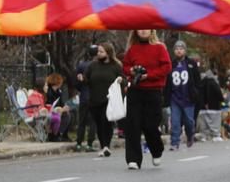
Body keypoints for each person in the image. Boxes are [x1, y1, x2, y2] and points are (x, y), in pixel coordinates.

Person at [121, 30, 171, 169]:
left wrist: (148, 75)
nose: (143, 31)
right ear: (136, 32)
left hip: (153, 91)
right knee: (133, 125)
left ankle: (156, 150)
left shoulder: (159, 48)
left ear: (151, 31)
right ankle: (133, 159)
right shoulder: (132, 49)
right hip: (135, 90)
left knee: (150, 125)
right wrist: (131, 71)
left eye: (146, 28)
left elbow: (166, 67)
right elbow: (125, 66)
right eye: (140, 28)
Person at [84, 42, 121, 157]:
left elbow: (123, 78)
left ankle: (106, 146)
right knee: (99, 124)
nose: (98, 54)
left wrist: (120, 80)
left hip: (108, 100)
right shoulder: (92, 66)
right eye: (98, 51)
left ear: (108, 53)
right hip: (94, 100)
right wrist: (82, 79)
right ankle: (102, 145)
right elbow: (87, 79)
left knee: (106, 122)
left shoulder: (116, 66)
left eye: (101, 52)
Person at [165, 40, 201, 151]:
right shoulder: (171, 64)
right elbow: (167, 82)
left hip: (188, 98)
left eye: (181, 49)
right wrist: (166, 97)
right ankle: (175, 142)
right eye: (176, 49)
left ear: (185, 51)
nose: (179, 51)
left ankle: (190, 134)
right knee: (175, 122)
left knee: (189, 122)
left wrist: (196, 93)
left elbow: (197, 80)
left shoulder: (191, 64)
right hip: (175, 98)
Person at [74, 46, 98, 152]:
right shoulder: (98, 66)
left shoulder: (81, 65)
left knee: (82, 121)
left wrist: (81, 89)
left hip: (83, 96)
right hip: (94, 96)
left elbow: (76, 83)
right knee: (93, 121)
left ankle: (78, 143)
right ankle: (89, 144)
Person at [197, 69, 225, 142]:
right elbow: (219, 94)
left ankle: (203, 136)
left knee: (204, 122)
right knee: (215, 122)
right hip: (214, 106)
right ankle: (216, 135)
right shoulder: (213, 83)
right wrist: (222, 99)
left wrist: (203, 103)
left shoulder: (201, 83)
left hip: (203, 107)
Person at [44, 73, 72, 142]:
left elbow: (61, 103)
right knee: (64, 116)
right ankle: (55, 135)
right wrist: (60, 109)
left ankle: (64, 134)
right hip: (51, 111)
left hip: (58, 110)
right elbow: (49, 104)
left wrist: (64, 107)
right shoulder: (49, 92)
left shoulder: (59, 92)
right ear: (57, 83)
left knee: (69, 114)